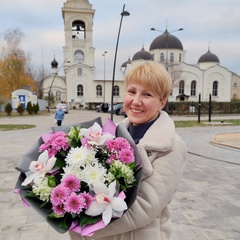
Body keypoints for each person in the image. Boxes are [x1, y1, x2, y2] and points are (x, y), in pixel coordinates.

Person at [69, 60, 187, 240]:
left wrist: (82, 226)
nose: (136, 101)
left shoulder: (171, 146)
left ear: (162, 102)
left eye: (147, 94)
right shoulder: (107, 136)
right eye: (132, 91)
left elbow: (144, 207)